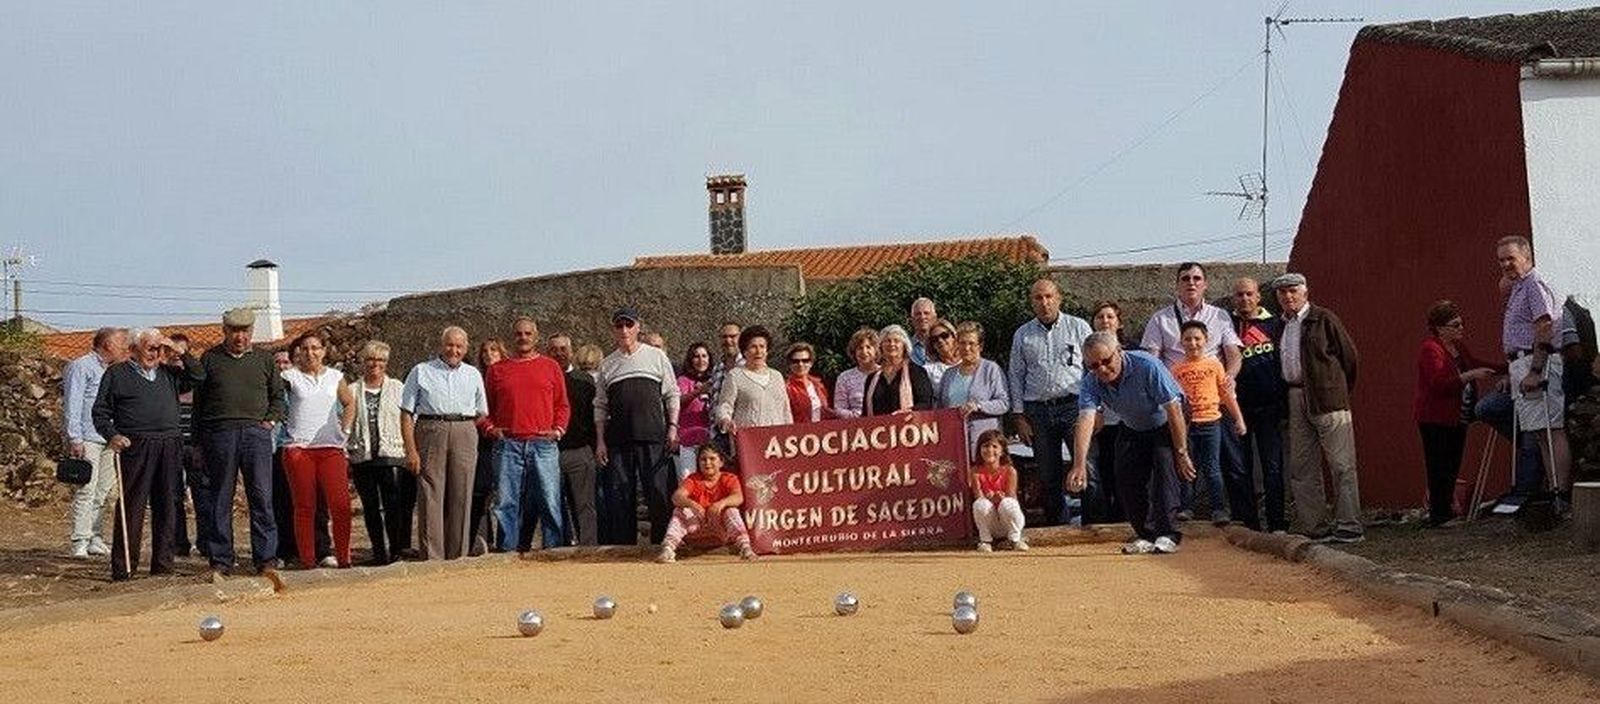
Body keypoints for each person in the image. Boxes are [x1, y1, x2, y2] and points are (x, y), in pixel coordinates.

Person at [1069, 332, 1195, 555]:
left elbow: (1174, 409)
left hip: (1168, 420)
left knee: (1165, 469)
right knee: (1126, 476)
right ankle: (1144, 534)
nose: (1102, 369)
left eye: (1106, 361)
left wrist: (1181, 451)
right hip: (1133, 424)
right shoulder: (1091, 382)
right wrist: (1078, 464)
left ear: (1119, 351)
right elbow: (1086, 420)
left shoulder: (1147, 365)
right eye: (1094, 365)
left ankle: (1168, 533)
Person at [91, 328, 198, 580]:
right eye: (150, 347)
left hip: (169, 444)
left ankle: (163, 564)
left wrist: (178, 349)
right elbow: (100, 412)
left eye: (159, 348)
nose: (156, 352)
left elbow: (199, 375)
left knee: (168, 504)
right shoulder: (117, 374)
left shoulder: (169, 374)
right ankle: (124, 566)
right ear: (134, 349)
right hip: (136, 444)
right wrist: (112, 435)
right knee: (132, 505)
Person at [1141, 262, 1243, 522]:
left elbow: (1233, 354)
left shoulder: (1220, 316)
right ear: (1177, 285)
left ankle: (1235, 515)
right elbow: (1151, 359)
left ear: (1205, 283)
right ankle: (1181, 510)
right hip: (1177, 405)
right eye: (1185, 278)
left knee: (1226, 463)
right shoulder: (1160, 319)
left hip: (1214, 403)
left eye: (1197, 278)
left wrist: (1228, 378)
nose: (1191, 282)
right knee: (1181, 460)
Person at [193, 308, 286, 585]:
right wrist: (197, 442)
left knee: (261, 497)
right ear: (225, 331)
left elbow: (278, 396)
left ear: (251, 332)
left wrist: (270, 421)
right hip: (219, 434)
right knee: (220, 498)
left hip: (255, 435)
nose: (240, 337)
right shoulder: (210, 359)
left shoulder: (264, 360)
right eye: (235, 331)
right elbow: (199, 403)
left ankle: (266, 560)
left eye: (245, 331)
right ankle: (221, 560)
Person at [1273, 273, 1363, 543]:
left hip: (1328, 398)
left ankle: (1349, 525)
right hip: (1294, 396)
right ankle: (1314, 526)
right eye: (1282, 293)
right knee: (1302, 467)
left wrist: (1336, 389)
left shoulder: (1324, 319)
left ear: (1305, 292)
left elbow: (1350, 358)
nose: (1288, 297)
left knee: (1341, 464)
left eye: (1292, 291)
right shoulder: (1280, 326)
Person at [1007, 278, 1095, 526]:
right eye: (1038, 298)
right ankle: (1059, 527)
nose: (1044, 302)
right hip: (1038, 411)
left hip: (1074, 407)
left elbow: (1092, 370)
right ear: (1031, 302)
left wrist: (1095, 408)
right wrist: (1019, 415)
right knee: (1048, 475)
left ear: (1059, 298)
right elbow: (1016, 374)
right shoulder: (1022, 334)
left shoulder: (1079, 327)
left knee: (1087, 467)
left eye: (1048, 296)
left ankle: (1093, 525)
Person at [480, 317, 570, 553]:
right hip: (508, 445)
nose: (523, 338)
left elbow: (562, 405)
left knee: (550, 500)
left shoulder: (550, 367)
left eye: (528, 334)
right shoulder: (497, 370)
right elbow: (483, 409)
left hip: (543, 445)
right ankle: (507, 550)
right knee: (506, 502)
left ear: (536, 337)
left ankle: (554, 551)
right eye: (519, 334)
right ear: (513, 337)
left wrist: (558, 430)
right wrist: (491, 429)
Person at [594, 307, 681, 546]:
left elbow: (672, 394)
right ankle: (623, 549)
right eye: (619, 325)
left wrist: (673, 427)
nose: (624, 330)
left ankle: (664, 544)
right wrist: (600, 441)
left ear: (637, 327)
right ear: (613, 330)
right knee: (620, 496)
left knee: (659, 493)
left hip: (654, 437)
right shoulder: (607, 364)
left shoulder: (656, 356)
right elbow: (600, 406)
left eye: (628, 325)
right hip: (618, 441)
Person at [400, 326, 489, 560]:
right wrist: (411, 450)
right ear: (442, 345)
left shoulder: (473, 374)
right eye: (450, 345)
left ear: (466, 348)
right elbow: (406, 412)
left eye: (459, 346)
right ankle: (432, 556)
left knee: (462, 492)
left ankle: (457, 554)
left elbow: (482, 412)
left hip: (464, 429)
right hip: (430, 428)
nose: (454, 350)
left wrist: (462, 426)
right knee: (431, 493)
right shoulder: (421, 371)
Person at [1496, 235, 1572, 502]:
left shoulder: (1534, 285)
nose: (1505, 264)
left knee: (1551, 428)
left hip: (1536, 361)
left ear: (1527, 258)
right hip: (1521, 362)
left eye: (1511, 258)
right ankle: (1553, 489)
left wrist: (1536, 370)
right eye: (1501, 259)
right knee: (1540, 432)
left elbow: (1543, 326)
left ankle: (1560, 492)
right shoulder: (1519, 287)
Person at [1414, 301, 1502, 527]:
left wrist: (1505, 367)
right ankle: (1439, 515)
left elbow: (1476, 363)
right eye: (1455, 325)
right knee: (1438, 465)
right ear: (1440, 328)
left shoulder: (1459, 348)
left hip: (1458, 416)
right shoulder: (1431, 349)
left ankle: (1446, 511)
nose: (1461, 328)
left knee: (1452, 464)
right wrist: (1471, 376)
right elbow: (1438, 384)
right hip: (1435, 417)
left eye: (1461, 324)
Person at [279, 332, 356, 569]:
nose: (310, 352)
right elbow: (274, 400)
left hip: (330, 447)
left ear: (323, 351)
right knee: (304, 506)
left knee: (341, 505)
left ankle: (344, 558)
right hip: (299, 449)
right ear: (299, 352)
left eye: (315, 348)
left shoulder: (335, 377)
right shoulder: (288, 377)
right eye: (305, 348)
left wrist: (346, 428)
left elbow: (349, 402)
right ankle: (308, 560)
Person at [1168, 321, 1248, 526]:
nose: (1193, 343)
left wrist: (1238, 418)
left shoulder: (1214, 365)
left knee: (1212, 467)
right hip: (1187, 425)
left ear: (1206, 341)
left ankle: (1218, 509)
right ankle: (1186, 507)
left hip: (1211, 422)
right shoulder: (1176, 369)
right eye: (1188, 339)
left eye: (1197, 339)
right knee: (1187, 467)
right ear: (1181, 342)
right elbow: (1172, 400)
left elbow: (1226, 394)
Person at [62, 326, 127, 558]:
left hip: (108, 437)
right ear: (108, 344)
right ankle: (80, 539)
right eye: (121, 343)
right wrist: (74, 437)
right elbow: (73, 402)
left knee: (103, 491)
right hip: (88, 437)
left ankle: (95, 537)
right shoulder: (81, 366)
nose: (125, 348)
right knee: (86, 491)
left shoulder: (114, 371)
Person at [1229, 279, 1288, 532]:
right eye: (1239, 295)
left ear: (1258, 297)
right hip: (1236, 409)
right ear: (1233, 298)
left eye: (1249, 294)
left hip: (1270, 407)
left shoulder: (1275, 324)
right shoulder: (1226, 326)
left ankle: (1277, 523)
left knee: (1272, 467)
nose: (1244, 299)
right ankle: (1248, 523)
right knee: (1240, 467)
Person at [346, 341, 411, 565]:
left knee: (393, 505)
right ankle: (378, 551)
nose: (376, 364)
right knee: (371, 508)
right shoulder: (353, 390)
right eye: (371, 359)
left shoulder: (397, 388)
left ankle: (396, 549)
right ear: (363, 362)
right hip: (362, 455)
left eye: (381, 360)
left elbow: (408, 419)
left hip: (390, 454)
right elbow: (344, 420)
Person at [656, 444, 755, 562]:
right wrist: (692, 504)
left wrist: (721, 504)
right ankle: (668, 549)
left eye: (712, 459)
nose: (707, 463)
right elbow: (676, 497)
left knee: (731, 510)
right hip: (696, 530)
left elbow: (738, 498)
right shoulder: (693, 479)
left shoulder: (729, 478)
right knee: (681, 510)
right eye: (703, 459)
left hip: (720, 532)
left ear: (721, 462)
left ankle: (745, 548)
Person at [548, 333, 598, 546]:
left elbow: (595, 417)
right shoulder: (544, 379)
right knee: (553, 505)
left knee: (585, 505)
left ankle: (588, 548)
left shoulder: (584, 380)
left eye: (563, 349)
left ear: (571, 351)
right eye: (554, 349)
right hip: (549, 452)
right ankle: (559, 548)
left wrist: (594, 448)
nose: (559, 353)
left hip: (580, 451)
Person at [939, 322, 1009, 454]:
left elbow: (1004, 403)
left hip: (984, 444)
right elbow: (940, 407)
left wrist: (978, 406)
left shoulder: (991, 369)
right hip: (954, 442)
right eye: (962, 343)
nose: (966, 348)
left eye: (971, 343)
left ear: (980, 346)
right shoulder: (949, 374)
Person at [1087, 302, 1127, 523]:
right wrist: (1098, 411)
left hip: (1128, 421)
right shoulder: (1089, 351)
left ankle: (1127, 517)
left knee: (1127, 472)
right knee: (1105, 472)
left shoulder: (1132, 350)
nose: (1105, 321)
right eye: (1100, 317)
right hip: (1102, 423)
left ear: (1118, 322)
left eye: (1110, 317)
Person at [714, 325, 794, 433]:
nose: (758, 351)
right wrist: (725, 421)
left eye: (762, 346)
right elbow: (724, 406)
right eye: (753, 347)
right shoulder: (735, 376)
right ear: (745, 351)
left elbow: (785, 411)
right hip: (749, 442)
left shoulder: (777, 376)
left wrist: (790, 433)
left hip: (776, 441)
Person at [468, 339, 505, 554]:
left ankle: (505, 541)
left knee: (505, 494)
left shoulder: (509, 376)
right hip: (481, 443)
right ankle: (481, 540)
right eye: (485, 351)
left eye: (494, 350)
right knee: (479, 493)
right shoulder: (476, 379)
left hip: (505, 441)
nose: (489, 354)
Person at [969, 429, 1027, 552]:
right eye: (985, 446)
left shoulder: (1010, 471)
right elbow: (978, 496)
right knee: (980, 504)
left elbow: (1011, 497)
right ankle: (985, 541)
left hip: (1009, 520)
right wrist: (988, 498)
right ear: (979, 449)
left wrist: (1001, 499)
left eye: (994, 446)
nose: (990, 450)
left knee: (1008, 503)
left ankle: (1016, 539)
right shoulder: (975, 472)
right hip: (993, 524)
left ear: (1002, 451)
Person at [864, 325, 935, 415]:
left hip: (908, 425)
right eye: (887, 341)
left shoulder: (916, 372)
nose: (892, 344)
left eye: (896, 341)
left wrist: (909, 411)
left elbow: (926, 403)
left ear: (904, 346)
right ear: (881, 346)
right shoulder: (871, 378)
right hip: (878, 427)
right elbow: (865, 413)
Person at [675, 342, 715, 480]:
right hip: (688, 440)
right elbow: (678, 401)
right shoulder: (683, 380)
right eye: (696, 356)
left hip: (710, 441)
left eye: (704, 356)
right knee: (688, 480)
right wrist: (699, 391)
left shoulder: (715, 380)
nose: (701, 360)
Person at [832, 327, 879, 420]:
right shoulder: (845, 377)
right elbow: (839, 408)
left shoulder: (885, 373)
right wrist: (857, 417)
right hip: (856, 426)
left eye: (868, 347)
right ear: (854, 352)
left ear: (876, 350)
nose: (864, 352)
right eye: (860, 348)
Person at [784, 342, 836, 424]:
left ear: (811, 363)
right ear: (790, 364)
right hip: (798, 433)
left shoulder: (819, 385)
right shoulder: (786, 388)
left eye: (805, 360)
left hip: (821, 432)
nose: (800, 364)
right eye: (795, 361)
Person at [922, 318, 960, 387]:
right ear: (932, 345)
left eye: (944, 335)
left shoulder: (970, 362)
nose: (940, 340)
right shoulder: (928, 371)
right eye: (935, 339)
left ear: (954, 337)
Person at [908, 297, 938, 365]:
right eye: (918, 314)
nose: (922, 317)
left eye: (926, 313)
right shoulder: (906, 347)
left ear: (935, 318)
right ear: (912, 320)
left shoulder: (944, 343)